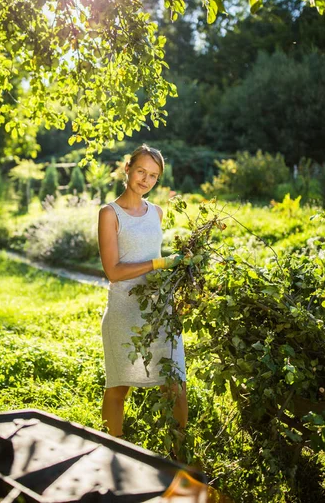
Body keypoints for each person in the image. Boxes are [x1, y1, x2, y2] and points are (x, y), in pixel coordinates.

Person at [98, 144, 187, 438]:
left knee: (175, 382)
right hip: (124, 310)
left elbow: (158, 262)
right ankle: (115, 447)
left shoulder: (157, 212)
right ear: (127, 168)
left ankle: (179, 453)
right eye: (141, 171)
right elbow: (113, 270)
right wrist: (157, 263)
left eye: (153, 176)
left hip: (160, 309)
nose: (146, 180)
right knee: (118, 385)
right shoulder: (109, 214)